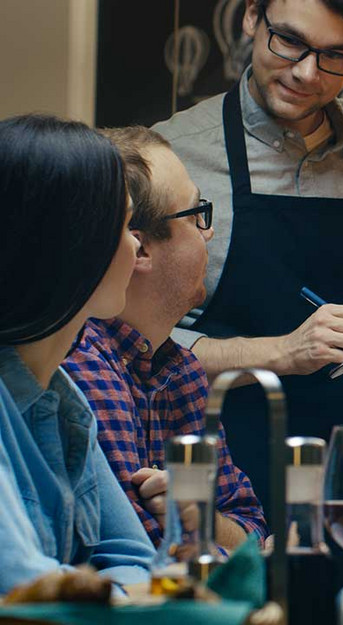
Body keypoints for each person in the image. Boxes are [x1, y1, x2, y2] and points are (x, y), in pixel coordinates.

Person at [151, 0, 343, 505]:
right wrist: (284, 354)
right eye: (290, 41)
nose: (307, 73)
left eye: (336, 55)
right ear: (252, 16)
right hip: (218, 472)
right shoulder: (174, 154)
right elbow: (143, 344)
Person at [62, 127, 267, 552]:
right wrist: (212, 534)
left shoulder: (182, 370)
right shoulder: (81, 362)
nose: (207, 233)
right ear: (139, 250)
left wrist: (202, 519)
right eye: (195, 216)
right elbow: (143, 551)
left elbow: (250, 526)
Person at [0, 114, 155, 593]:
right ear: (73, 241)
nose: (137, 245)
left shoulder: (65, 401)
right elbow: (23, 584)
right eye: (127, 224)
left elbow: (134, 558)